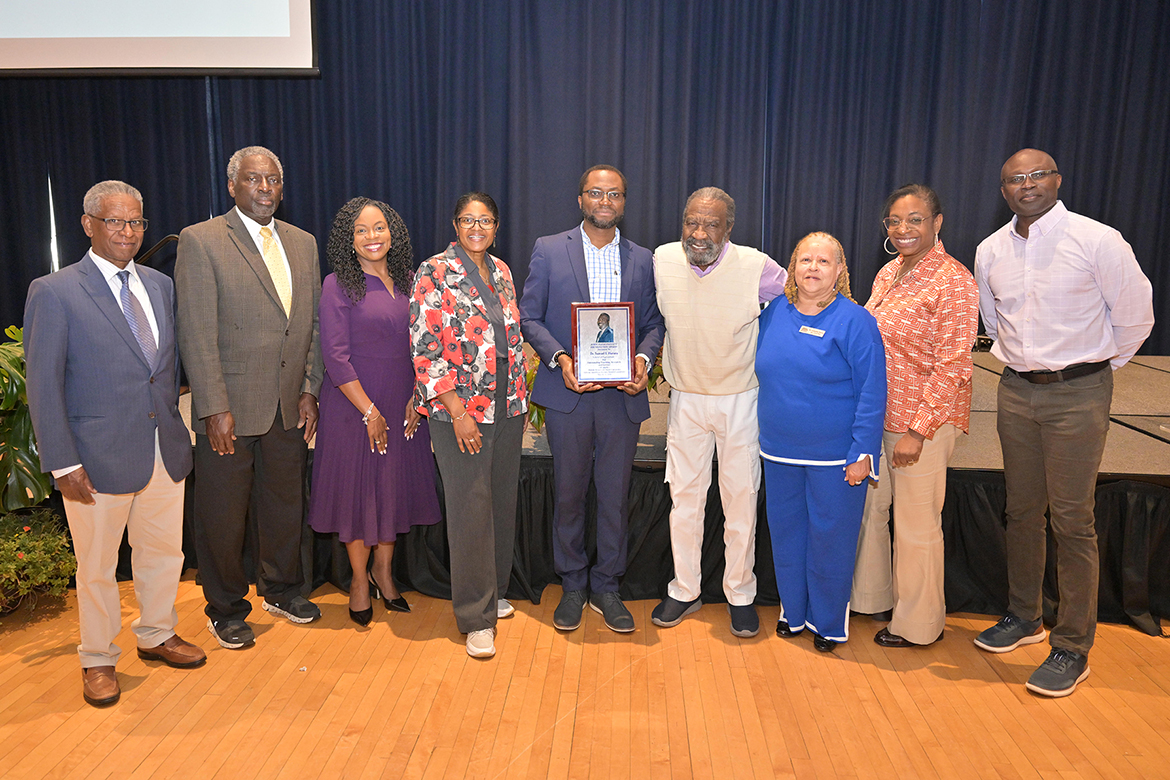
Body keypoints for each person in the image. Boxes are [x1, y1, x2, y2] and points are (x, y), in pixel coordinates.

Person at [973, 148, 1154, 696]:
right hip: (1015, 391)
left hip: (1079, 394)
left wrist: (1091, 369)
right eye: (1014, 179)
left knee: (1073, 519)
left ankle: (1073, 645)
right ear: (1003, 190)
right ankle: (1025, 616)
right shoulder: (990, 250)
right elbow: (991, 318)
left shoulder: (1098, 240)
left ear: (1056, 179)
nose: (1025, 185)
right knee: (1022, 510)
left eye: (1036, 175)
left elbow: (1135, 317)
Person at [24, 181, 204, 707]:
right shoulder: (55, 291)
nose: (127, 232)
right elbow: (43, 385)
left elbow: (163, 373)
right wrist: (62, 462)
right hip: (93, 459)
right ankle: (98, 657)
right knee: (99, 567)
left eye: (136, 223)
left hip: (162, 448)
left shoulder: (159, 285)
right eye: (115, 222)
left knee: (164, 552)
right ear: (88, 225)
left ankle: (156, 633)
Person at [176, 145, 324, 649]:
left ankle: (282, 588)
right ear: (233, 186)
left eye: (274, 181)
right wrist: (213, 407)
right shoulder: (202, 240)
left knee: (285, 505)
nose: (265, 188)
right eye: (254, 179)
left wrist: (309, 389)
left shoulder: (303, 243)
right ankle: (225, 606)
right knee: (222, 511)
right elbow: (195, 331)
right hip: (230, 409)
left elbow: (313, 325)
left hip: (288, 404)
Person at [520, 165, 664, 634]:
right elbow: (530, 317)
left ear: (624, 202)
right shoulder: (548, 249)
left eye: (615, 194)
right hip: (569, 394)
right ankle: (573, 584)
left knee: (615, 497)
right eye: (596, 192)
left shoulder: (643, 258)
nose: (606, 200)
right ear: (581, 198)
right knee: (568, 494)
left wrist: (642, 359)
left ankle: (606, 585)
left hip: (620, 398)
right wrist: (561, 357)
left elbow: (654, 325)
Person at [649, 187, 787, 638]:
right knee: (684, 500)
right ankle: (684, 589)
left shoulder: (757, 266)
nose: (699, 232)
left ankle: (740, 594)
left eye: (711, 224)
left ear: (729, 228)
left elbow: (802, 300)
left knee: (740, 500)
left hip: (740, 398)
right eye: (692, 221)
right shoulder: (663, 258)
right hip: (686, 398)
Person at [851, 184, 979, 648]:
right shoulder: (889, 272)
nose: (903, 229)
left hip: (920, 424)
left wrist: (918, 431)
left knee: (916, 525)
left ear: (937, 223)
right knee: (872, 512)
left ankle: (920, 625)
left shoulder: (953, 279)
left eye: (915, 219)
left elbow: (954, 366)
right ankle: (870, 599)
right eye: (895, 221)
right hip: (879, 417)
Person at [306, 198, 442, 626]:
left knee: (392, 488)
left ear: (393, 232)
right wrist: (369, 411)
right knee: (360, 493)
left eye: (379, 228)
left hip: (404, 402)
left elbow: (427, 344)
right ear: (349, 240)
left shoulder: (410, 279)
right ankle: (360, 580)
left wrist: (419, 397)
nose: (371, 237)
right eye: (361, 231)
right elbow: (335, 355)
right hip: (353, 406)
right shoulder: (337, 285)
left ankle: (385, 573)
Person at [411, 192, 528, 658]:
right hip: (460, 411)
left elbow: (509, 340)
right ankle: (475, 619)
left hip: (508, 405)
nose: (476, 227)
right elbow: (425, 349)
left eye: (485, 220)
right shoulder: (433, 271)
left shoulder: (501, 271)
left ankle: (494, 593)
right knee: (470, 509)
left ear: (496, 226)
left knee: (500, 501)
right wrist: (458, 411)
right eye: (467, 219)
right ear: (455, 225)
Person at [757, 232, 886, 652]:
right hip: (778, 451)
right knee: (787, 535)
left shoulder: (856, 321)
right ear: (792, 267)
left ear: (840, 271)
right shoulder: (773, 312)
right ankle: (793, 613)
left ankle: (828, 622)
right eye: (805, 260)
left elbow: (872, 391)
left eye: (823, 261)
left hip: (836, 458)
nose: (813, 268)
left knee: (831, 541)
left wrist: (862, 452)